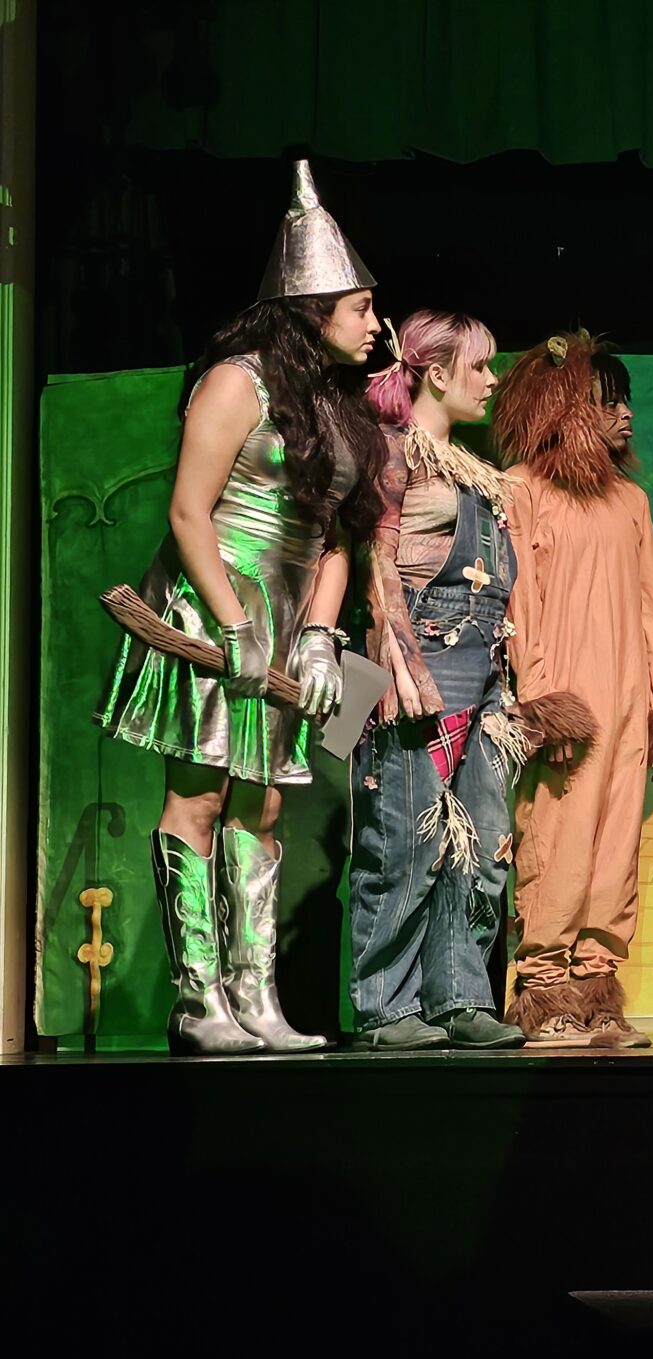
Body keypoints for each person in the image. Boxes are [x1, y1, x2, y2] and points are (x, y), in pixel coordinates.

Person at [99, 160, 382, 1054]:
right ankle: (198, 1000)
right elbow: (189, 512)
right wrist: (232, 623)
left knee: (262, 811)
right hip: (212, 608)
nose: (375, 324)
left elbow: (338, 538)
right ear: (313, 309)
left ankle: (256, 999)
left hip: (291, 622)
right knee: (201, 796)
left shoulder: (337, 408)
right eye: (361, 308)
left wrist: (322, 637)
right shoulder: (237, 382)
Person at [492, 331, 653, 1048]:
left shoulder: (631, 502)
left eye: (626, 401)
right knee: (557, 840)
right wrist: (544, 705)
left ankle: (598, 989)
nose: (626, 415)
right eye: (609, 402)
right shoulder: (522, 490)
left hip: (626, 703)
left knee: (615, 851)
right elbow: (520, 604)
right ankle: (545, 991)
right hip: (567, 701)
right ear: (568, 406)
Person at [349, 310, 529, 1050]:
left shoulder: (469, 468)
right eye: (478, 366)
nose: (491, 380)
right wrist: (396, 665)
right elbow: (372, 567)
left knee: (480, 840)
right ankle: (385, 1005)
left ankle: (459, 995)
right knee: (406, 837)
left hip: (482, 672)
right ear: (436, 371)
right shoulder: (389, 451)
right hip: (411, 663)